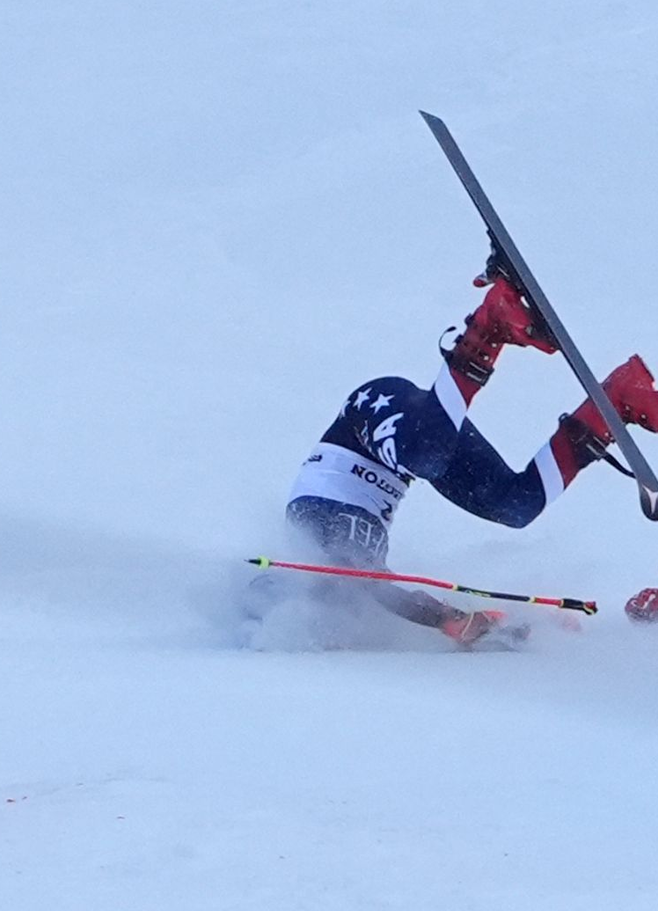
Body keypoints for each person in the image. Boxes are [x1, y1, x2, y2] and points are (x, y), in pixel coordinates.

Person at [280, 249, 658, 646]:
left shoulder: (315, 542)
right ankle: (616, 402)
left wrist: (452, 620)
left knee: (424, 457)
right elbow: (386, 589)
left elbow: (372, 584)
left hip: (371, 417)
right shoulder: (363, 577)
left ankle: (490, 324)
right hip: (419, 448)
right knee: (516, 506)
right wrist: (504, 625)